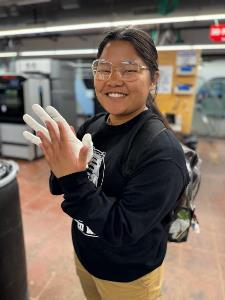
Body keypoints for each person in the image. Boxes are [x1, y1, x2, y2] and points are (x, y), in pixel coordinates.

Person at [37, 27, 189, 300]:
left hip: (128, 276)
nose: (113, 79)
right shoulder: (93, 125)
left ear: (153, 79)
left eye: (129, 70)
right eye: (104, 69)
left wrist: (71, 176)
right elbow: (64, 187)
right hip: (87, 257)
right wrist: (59, 160)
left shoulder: (162, 153)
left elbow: (122, 230)